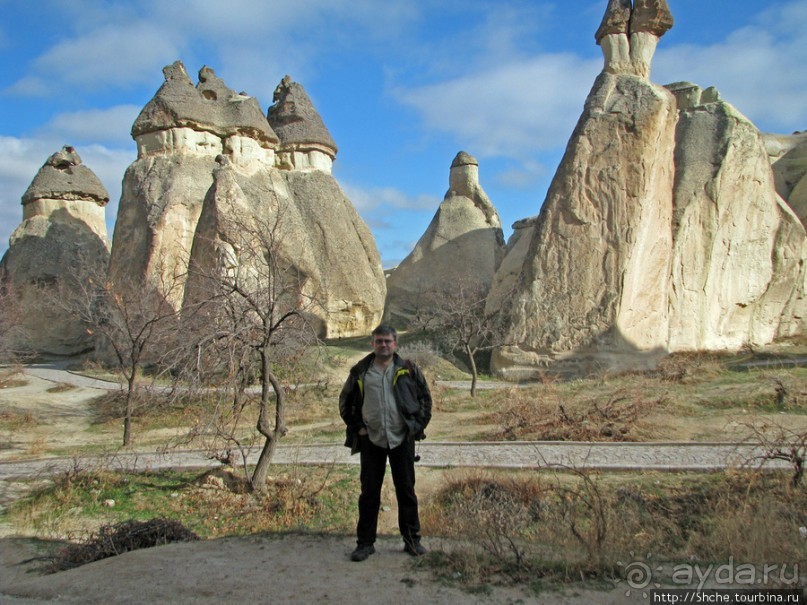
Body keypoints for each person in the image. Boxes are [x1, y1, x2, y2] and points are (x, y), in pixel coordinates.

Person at [338, 324, 433, 562]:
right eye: (379, 341)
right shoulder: (361, 371)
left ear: (395, 344)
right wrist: (358, 427)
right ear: (372, 343)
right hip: (372, 439)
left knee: (406, 491)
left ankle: (412, 541)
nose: (383, 345)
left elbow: (425, 398)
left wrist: (416, 426)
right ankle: (365, 544)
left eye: (388, 341)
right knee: (369, 492)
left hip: (402, 438)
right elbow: (346, 401)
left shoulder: (408, 369)